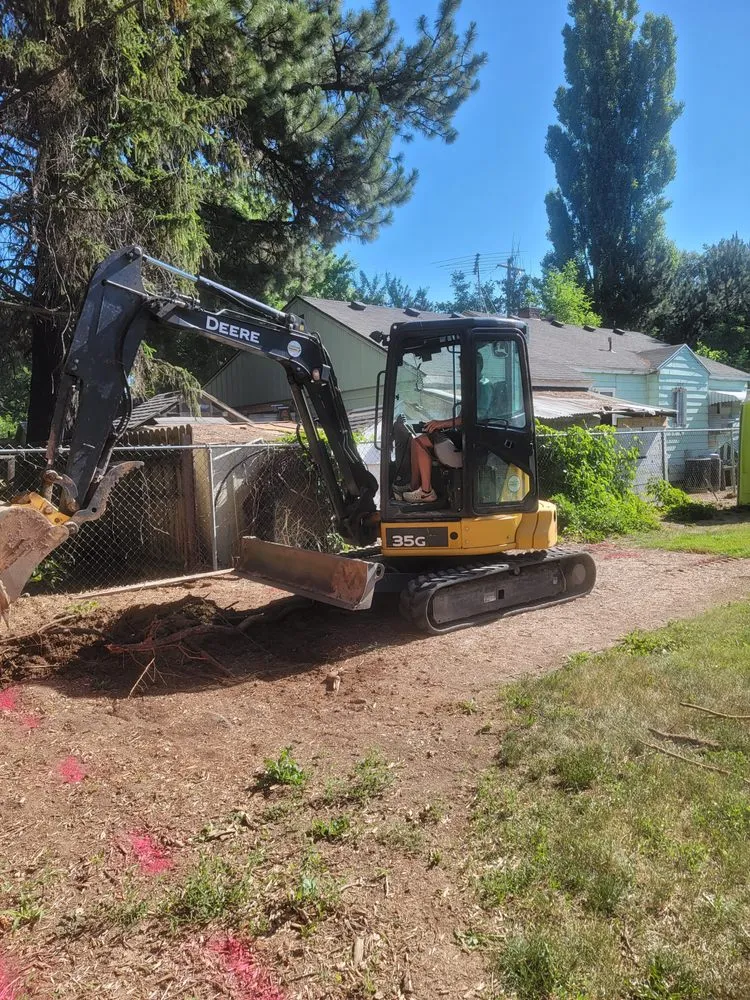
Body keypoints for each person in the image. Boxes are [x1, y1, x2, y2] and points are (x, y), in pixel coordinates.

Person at [394, 352, 498, 504]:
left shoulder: (483, 386)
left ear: (477, 366)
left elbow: (474, 418)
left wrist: (441, 423)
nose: (462, 371)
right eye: (461, 367)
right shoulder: (474, 385)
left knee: (419, 442)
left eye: (464, 367)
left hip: (472, 442)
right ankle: (414, 487)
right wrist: (439, 426)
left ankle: (426, 491)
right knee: (416, 440)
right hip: (463, 435)